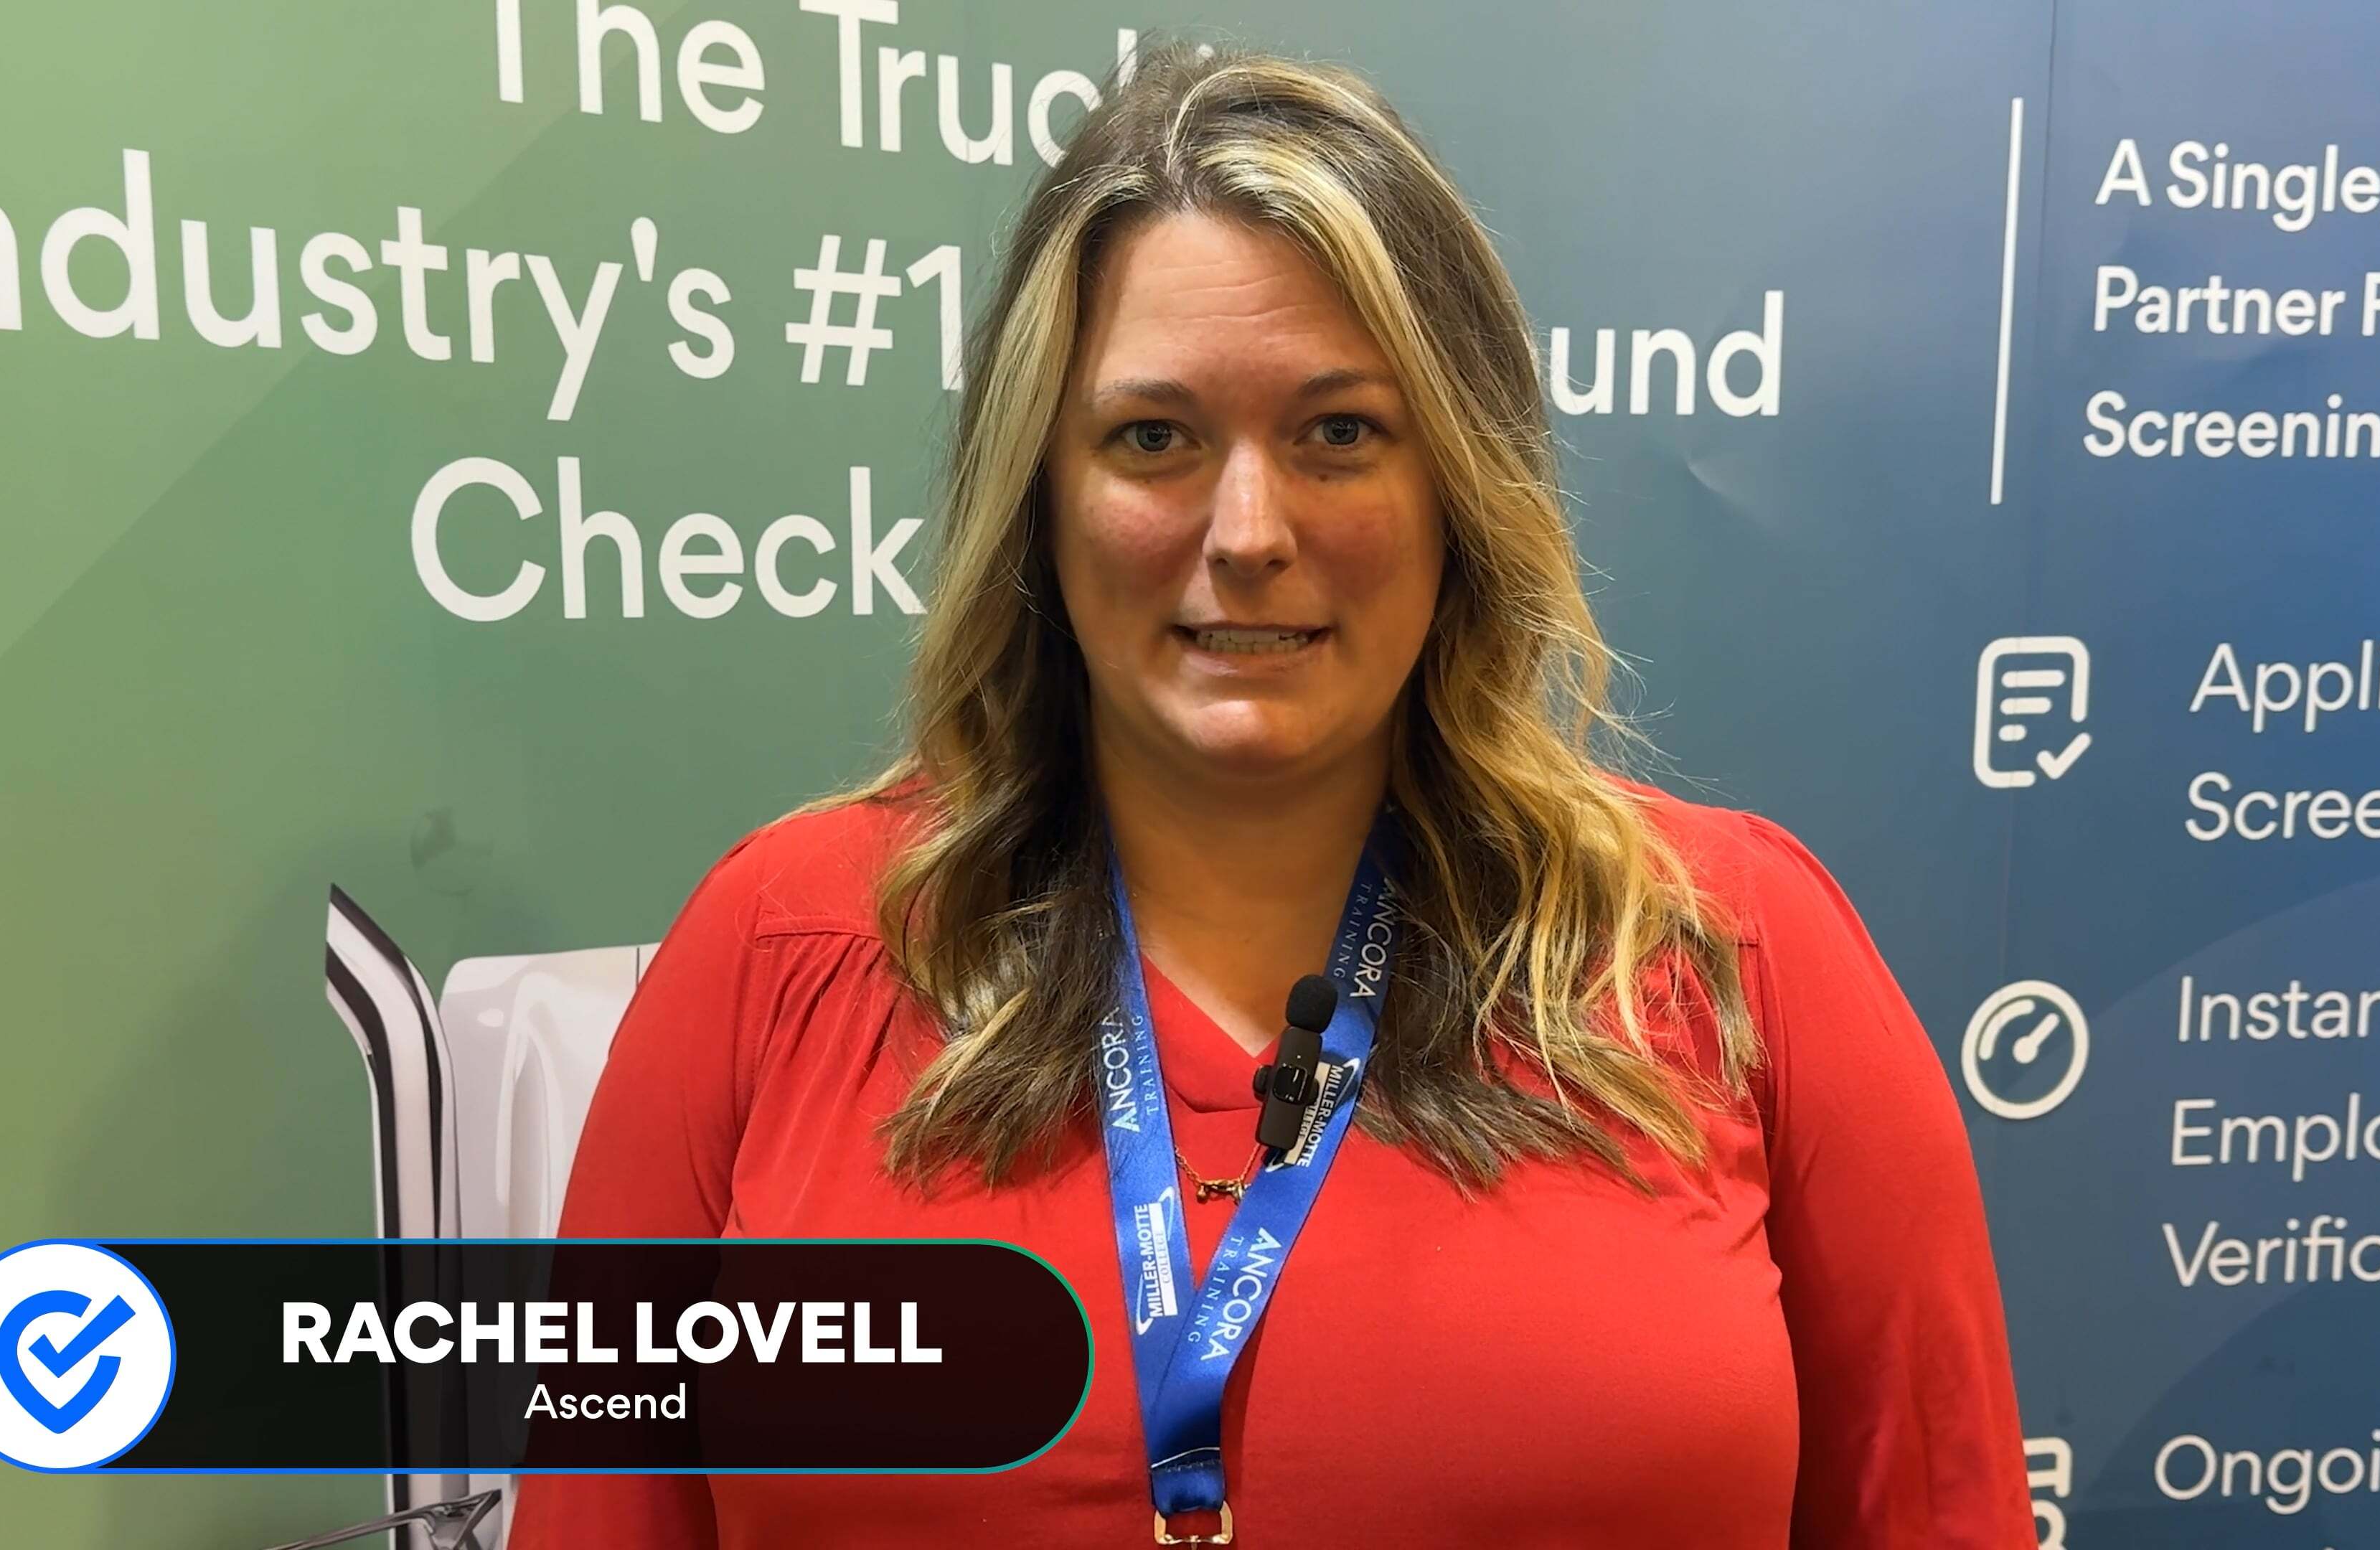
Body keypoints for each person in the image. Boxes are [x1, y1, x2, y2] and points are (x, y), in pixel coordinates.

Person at [511, 42, 2033, 1549]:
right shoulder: (775, 955)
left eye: (1339, 433)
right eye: (1153, 438)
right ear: (1039, 494)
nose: (1248, 531)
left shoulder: (1736, 954)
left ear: (1459, 483)